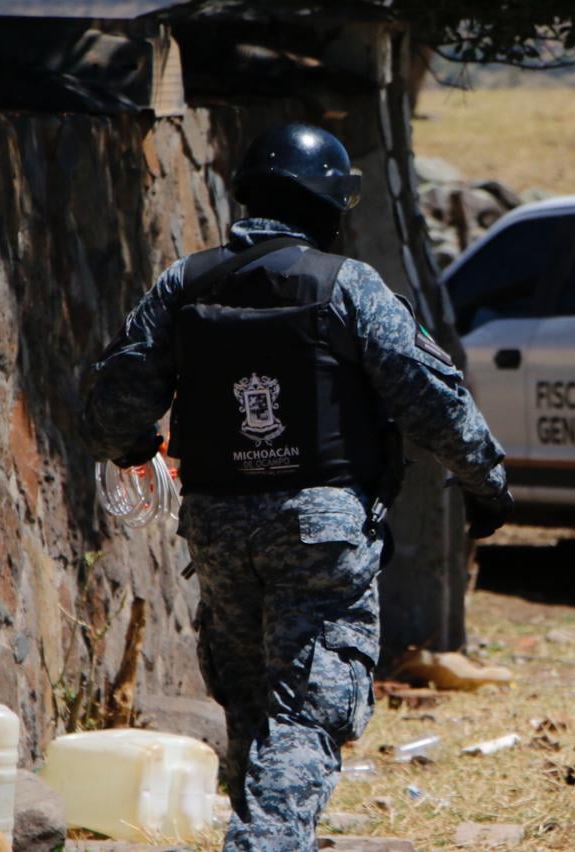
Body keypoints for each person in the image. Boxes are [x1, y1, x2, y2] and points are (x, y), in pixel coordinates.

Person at [80, 122, 512, 850]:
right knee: (307, 713)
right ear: (328, 206)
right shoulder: (349, 287)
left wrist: (132, 447)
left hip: (218, 529)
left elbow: (112, 406)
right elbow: (436, 403)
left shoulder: (184, 284)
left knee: (254, 705)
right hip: (322, 533)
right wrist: (487, 485)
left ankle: (269, 832)